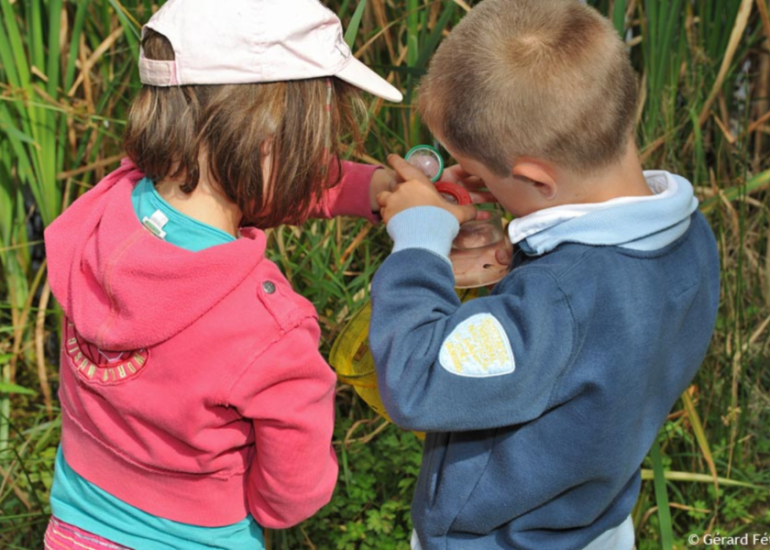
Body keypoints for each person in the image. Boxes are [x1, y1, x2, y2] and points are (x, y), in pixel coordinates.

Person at [42, 1, 402, 548]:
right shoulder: (269, 329)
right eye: (315, 146)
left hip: (75, 529)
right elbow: (292, 496)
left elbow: (237, 174)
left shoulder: (99, 217)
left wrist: (368, 189)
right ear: (271, 142)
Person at [369, 0, 720, 549]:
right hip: (597, 521)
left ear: (536, 176)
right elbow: (590, 340)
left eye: (480, 172)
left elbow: (415, 381)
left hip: (498, 539)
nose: (468, 178)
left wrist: (418, 241)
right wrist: (524, 237)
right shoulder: (690, 233)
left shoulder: (560, 297)